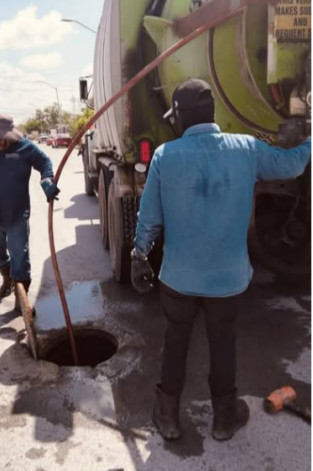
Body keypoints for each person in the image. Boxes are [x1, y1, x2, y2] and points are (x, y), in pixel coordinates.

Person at [131, 78, 311, 442]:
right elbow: (292, 165)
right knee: (223, 343)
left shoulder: (165, 155)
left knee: (175, 343)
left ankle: (168, 416)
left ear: (181, 116)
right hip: (227, 281)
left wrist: (139, 255)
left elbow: (149, 217)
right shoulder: (246, 148)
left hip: (179, 279)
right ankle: (225, 418)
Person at [0, 115, 60, 303]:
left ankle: (22, 298)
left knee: (20, 255)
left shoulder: (24, 147)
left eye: (7, 138)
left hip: (17, 214)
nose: (2, 142)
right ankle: (7, 277)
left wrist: (47, 181)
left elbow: (44, 162)